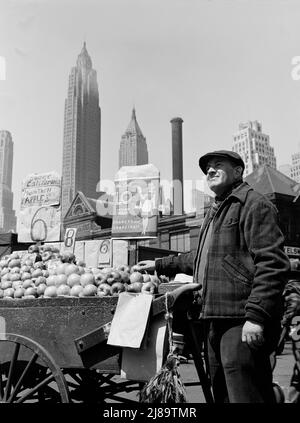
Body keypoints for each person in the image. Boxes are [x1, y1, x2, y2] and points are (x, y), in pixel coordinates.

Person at [136, 150, 290, 403]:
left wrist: (256, 316)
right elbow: (199, 257)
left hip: (240, 319)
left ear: (238, 171)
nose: (210, 171)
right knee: (222, 392)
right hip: (214, 318)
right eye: (207, 168)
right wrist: (158, 264)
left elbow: (272, 264)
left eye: (218, 165)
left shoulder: (253, 204)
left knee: (244, 392)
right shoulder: (217, 210)